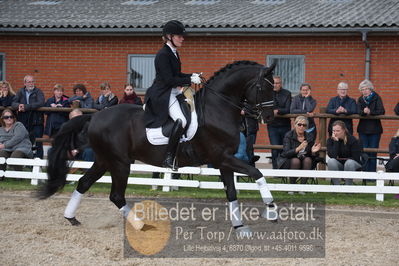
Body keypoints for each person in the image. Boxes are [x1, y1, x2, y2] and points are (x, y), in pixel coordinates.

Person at [143, 20, 202, 170]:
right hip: (163, 93)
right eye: (179, 36)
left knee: (193, 112)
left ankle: (185, 147)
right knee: (181, 120)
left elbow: (177, 74)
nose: (183, 38)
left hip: (173, 91)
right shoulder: (163, 54)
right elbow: (169, 79)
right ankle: (169, 157)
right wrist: (189, 79)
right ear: (169, 36)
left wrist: (192, 75)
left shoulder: (173, 53)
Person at [277, 116, 321, 187]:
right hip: (289, 160)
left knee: (308, 160)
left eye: (304, 125)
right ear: (295, 125)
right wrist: (298, 148)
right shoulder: (289, 136)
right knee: (295, 161)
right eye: (299, 124)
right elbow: (286, 153)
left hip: (305, 160)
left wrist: (313, 152)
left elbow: (312, 155)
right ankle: (292, 186)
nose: (301, 127)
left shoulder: (309, 136)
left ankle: (302, 187)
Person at [11, 75, 45, 158]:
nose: (31, 83)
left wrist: (26, 107)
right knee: (24, 140)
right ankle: (26, 160)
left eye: (33, 81)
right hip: (23, 120)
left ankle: (38, 160)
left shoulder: (38, 91)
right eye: (29, 82)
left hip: (36, 120)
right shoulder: (20, 91)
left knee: (38, 141)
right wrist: (19, 106)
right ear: (24, 83)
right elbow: (13, 103)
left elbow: (40, 102)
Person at [357, 79, 385, 173]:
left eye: (366, 89)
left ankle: (372, 176)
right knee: (364, 152)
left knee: (373, 152)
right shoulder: (360, 99)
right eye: (362, 89)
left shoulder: (377, 97)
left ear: (371, 89)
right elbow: (357, 111)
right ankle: (365, 174)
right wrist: (363, 112)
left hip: (375, 130)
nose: (364, 91)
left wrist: (370, 112)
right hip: (363, 129)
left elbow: (381, 111)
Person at [327, 120, 362, 185]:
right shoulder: (331, 140)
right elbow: (333, 156)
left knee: (349, 163)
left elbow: (356, 158)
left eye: (338, 131)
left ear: (344, 130)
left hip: (353, 165)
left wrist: (344, 159)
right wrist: (336, 142)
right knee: (331, 161)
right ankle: (336, 187)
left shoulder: (352, 139)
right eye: (334, 131)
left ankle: (348, 187)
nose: (335, 133)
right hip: (340, 165)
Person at [267, 76, 291, 169]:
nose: (275, 85)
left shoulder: (287, 93)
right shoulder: (267, 93)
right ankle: (275, 171)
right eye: (273, 83)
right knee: (275, 149)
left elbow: (288, 109)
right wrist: (273, 111)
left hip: (285, 125)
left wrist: (277, 111)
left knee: (285, 148)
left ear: (281, 84)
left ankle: (284, 170)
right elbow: (266, 108)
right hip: (272, 126)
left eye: (277, 83)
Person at [0, 108, 33, 176]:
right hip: (7, 149)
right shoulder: (1, 129)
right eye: (6, 117)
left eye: (11, 117)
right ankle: (1, 175)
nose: (9, 118)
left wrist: (4, 145)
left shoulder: (18, 125)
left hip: (21, 147)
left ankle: (19, 176)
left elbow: (17, 138)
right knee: (1, 154)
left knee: (15, 156)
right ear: (3, 119)